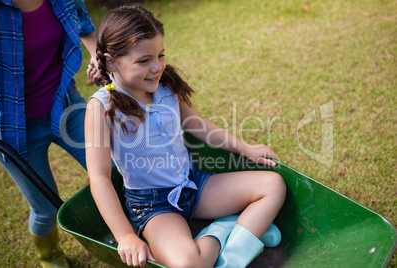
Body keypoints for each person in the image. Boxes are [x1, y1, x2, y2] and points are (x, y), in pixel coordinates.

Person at [85, 5, 286, 268]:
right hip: (154, 206)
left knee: (273, 185)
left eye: (160, 55)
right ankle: (228, 230)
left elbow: (199, 125)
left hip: (192, 185)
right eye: (144, 61)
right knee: (188, 265)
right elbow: (99, 178)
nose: (157, 67)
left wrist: (244, 148)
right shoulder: (101, 107)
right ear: (112, 62)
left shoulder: (165, 87)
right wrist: (125, 236)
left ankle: (231, 253)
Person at [0, 0, 101, 267]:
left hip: (66, 105)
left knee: (115, 169)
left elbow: (86, 27)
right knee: (46, 210)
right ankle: (49, 255)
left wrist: (100, 56)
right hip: (13, 130)